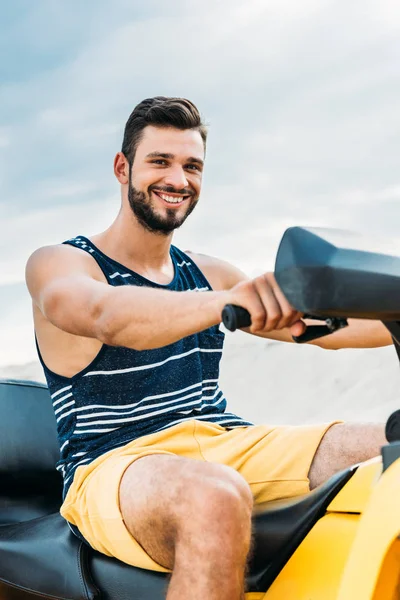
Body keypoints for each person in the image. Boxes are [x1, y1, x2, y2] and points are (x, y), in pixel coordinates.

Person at [25, 96, 392, 600]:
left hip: (225, 441)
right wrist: (226, 302)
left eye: (192, 165)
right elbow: (104, 315)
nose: (178, 179)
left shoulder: (209, 273)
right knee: (214, 496)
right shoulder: (62, 263)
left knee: (387, 447)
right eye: (160, 161)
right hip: (113, 463)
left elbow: (319, 327)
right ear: (122, 167)